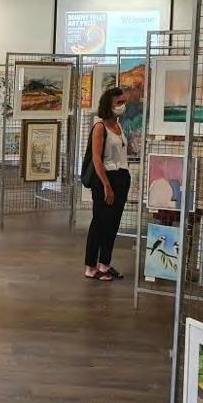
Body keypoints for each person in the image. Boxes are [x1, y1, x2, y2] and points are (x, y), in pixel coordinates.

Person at [84, 87, 131, 281]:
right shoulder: (99, 127)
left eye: (123, 102)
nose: (122, 105)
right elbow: (97, 159)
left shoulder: (118, 127)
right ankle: (90, 266)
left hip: (122, 177)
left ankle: (105, 263)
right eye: (119, 102)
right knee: (99, 222)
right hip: (105, 178)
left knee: (113, 223)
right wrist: (106, 185)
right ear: (109, 105)